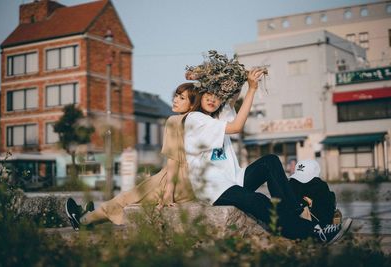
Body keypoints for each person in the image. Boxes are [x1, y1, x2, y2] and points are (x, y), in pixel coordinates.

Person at [183, 68, 352, 243]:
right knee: (261, 202)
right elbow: (236, 127)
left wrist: (245, 79)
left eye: (217, 96)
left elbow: (232, 93)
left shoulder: (218, 116)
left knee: (270, 161)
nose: (212, 99)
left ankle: (296, 212)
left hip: (233, 179)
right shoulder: (195, 119)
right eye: (208, 94)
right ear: (200, 94)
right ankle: (316, 233)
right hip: (213, 187)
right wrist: (252, 89)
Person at [65, 83, 198, 230]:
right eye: (176, 96)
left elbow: (173, 158)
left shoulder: (175, 120)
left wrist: (168, 191)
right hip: (189, 186)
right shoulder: (198, 122)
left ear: (192, 105)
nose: (175, 100)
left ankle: (83, 220)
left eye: (182, 98)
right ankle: (91, 218)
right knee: (133, 200)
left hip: (173, 180)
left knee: (125, 198)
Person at [289, 159, 342, 227]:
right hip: (312, 221)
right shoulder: (320, 185)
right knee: (330, 196)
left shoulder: (291, 183)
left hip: (298, 218)